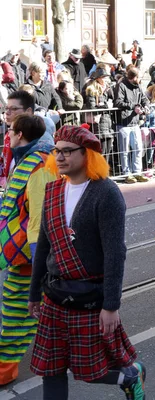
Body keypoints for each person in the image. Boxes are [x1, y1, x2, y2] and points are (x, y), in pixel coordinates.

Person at [27, 125, 146, 400]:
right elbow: (44, 246)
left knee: (90, 370)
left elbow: (115, 253)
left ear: (88, 154)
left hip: (89, 298)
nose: (59, 157)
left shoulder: (106, 193)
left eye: (67, 151)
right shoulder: (53, 190)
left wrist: (111, 305)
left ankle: (129, 375)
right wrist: (34, 294)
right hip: (55, 296)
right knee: (51, 369)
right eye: (57, 151)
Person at [0, 115, 55, 385]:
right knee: (35, 307)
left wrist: (39, 258)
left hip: (28, 254)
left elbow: (39, 218)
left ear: (20, 134)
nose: (7, 133)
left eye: (10, 129)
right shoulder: (28, 159)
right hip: (26, 251)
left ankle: (5, 369)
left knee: (15, 307)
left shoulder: (38, 163)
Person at [113, 67, 150, 183]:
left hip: (135, 121)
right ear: (134, 77)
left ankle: (137, 171)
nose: (140, 80)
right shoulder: (121, 86)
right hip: (123, 122)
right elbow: (118, 102)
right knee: (124, 150)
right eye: (139, 77)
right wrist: (133, 106)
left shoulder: (138, 86)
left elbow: (144, 99)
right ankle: (127, 173)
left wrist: (146, 105)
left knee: (138, 148)